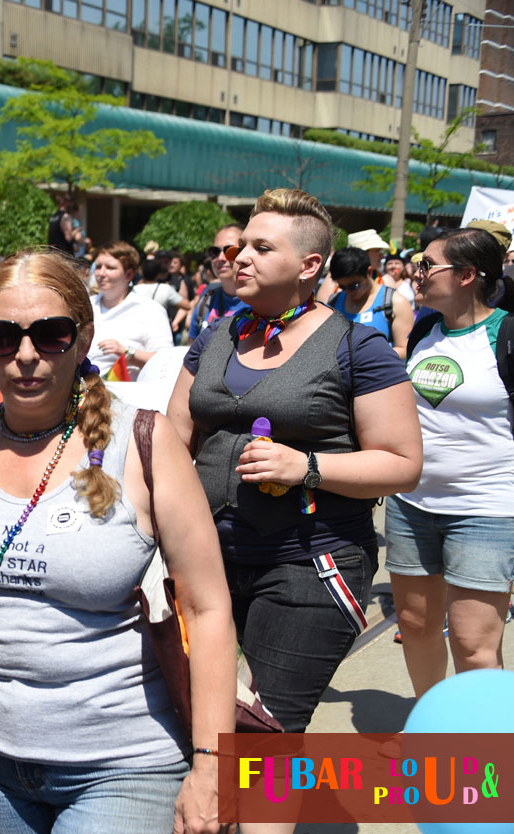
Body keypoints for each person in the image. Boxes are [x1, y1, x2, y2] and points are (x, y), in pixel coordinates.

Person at [0, 250, 236, 834]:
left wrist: (213, 765)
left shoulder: (141, 441)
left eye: (51, 334)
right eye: (2, 336)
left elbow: (207, 607)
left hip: (121, 765)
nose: (26, 355)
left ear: (83, 335)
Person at [166, 190, 420, 799]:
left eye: (259, 247)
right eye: (237, 247)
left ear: (309, 266)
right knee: (199, 724)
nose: (239, 258)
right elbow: (175, 434)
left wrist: (305, 464)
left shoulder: (359, 348)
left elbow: (402, 464)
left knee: (268, 737)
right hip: (208, 560)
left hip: (311, 562)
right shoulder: (218, 333)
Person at [386, 227, 514, 698]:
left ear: (466, 275)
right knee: (417, 626)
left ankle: (485, 755)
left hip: (488, 509)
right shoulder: (424, 329)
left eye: (427, 265)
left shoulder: (507, 334)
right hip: (411, 504)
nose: (416, 273)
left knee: (472, 643)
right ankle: (432, 729)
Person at [87, 241, 173, 379]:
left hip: (128, 395)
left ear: (128, 275)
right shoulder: (86, 306)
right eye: (98, 267)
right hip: (85, 394)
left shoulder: (150, 310)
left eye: (110, 267)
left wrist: (127, 352)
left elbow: (166, 362)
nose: (101, 273)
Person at [325, 247, 413, 358]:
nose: (348, 291)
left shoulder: (396, 302)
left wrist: (365, 358)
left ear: (369, 272)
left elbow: (405, 349)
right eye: (342, 286)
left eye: (354, 286)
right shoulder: (335, 301)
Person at [187, 225, 249, 341]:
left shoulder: (260, 304)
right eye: (214, 251)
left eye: (229, 250)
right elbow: (192, 347)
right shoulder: (206, 299)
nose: (220, 258)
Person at [134, 257, 193, 339]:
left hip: (139, 330)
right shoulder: (166, 289)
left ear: (142, 273)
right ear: (158, 274)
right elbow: (187, 305)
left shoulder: (134, 290)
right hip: (160, 331)